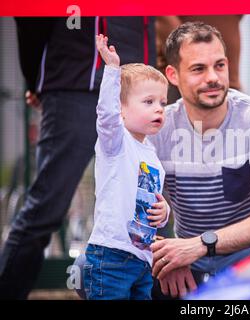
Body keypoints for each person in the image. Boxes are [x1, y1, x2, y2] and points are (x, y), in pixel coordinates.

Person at [0, 16, 158, 299]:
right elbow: (30, 17)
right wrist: (39, 78)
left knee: (149, 207)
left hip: (138, 92)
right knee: (45, 210)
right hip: (75, 83)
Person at [148, 22, 250, 298]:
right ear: (172, 74)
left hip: (248, 257)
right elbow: (125, 213)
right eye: (198, 69)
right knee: (91, 270)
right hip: (187, 262)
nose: (213, 78)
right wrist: (164, 251)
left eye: (219, 65)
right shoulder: (158, 128)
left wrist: (202, 244)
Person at [83, 34, 170, 300]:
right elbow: (106, 115)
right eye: (148, 102)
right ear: (122, 109)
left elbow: (149, 201)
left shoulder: (153, 156)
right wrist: (111, 70)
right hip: (111, 255)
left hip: (142, 259)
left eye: (162, 103)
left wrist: (163, 212)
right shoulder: (116, 143)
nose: (159, 109)